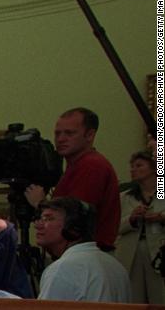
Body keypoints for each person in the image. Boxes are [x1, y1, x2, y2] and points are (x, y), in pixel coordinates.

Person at [27, 107, 120, 251]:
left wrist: (40, 203)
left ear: (89, 135)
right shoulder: (77, 165)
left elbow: (74, 218)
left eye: (69, 133)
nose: (61, 139)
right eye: (57, 133)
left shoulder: (91, 165)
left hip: (86, 253)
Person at [35, 197, 130, 302]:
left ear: (73, 228)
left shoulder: (62, 268)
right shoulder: (116, 265)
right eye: (41, 218)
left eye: (49, 219)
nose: (37, 225)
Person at [116, 150, 165, 303]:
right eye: (131, 166)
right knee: (134, 298)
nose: (133, 170)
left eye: (139, 165)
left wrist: (161, 217)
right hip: (132, 251)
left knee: (160, 297)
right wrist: (131, 219)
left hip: (159, 251)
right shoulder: (125, 197)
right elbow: (115, 226)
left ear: (153, 167)